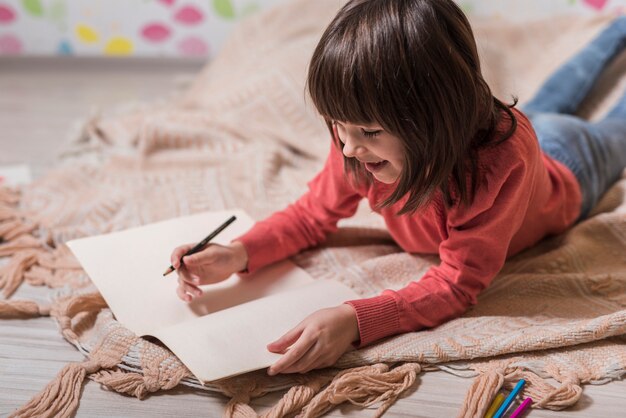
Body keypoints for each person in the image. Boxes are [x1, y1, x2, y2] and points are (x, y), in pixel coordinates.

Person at [169, 0, 626, 376]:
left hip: (570, 166)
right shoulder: (353, 139)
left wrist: (355, 320)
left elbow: (458, 282)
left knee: (607, 124)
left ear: (434, 120)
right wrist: (237, 253)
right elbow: (312, 215)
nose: (348, 148)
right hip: (515, 131)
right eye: (338, 127)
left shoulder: (498, 160)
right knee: (556, 93)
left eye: (368, 132)